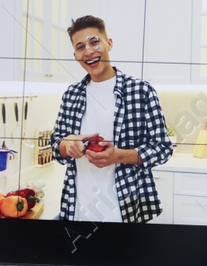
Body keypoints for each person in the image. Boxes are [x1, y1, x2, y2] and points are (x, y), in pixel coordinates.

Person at [50, 14, 174, 223]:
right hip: (78, 209)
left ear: (109, 43)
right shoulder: (71, 94)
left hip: (125, 210)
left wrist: (117, 156)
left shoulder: (141, 90)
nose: (89, 51)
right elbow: (56, 144)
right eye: (80, 47)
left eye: (94, 41)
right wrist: (66, 145)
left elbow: (163, 148)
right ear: (75, 55)